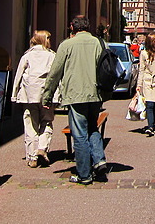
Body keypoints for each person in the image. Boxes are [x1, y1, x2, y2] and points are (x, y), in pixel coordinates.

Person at [42, 16, 107, 185]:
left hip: (75, 94)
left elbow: (54, 73)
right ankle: (100, 161)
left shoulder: (66, 45)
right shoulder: (99, 43)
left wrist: (47, 95)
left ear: (72, 27)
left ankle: (84, 174)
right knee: (93, 128)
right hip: (95, 94)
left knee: (79, 135)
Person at [11, 30, 58, 168]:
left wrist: (14, 94)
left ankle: (32, 157)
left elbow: (18, 75)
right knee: (47, 122)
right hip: (46, 96)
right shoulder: (51, 56)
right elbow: (55, 76)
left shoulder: (27, 56)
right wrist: (58, 96)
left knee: (30, 125)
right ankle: (42, 149)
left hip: (28, 96)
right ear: (45, 40)